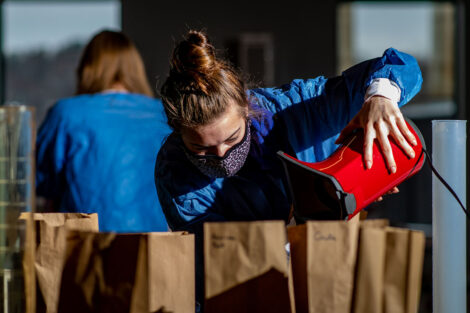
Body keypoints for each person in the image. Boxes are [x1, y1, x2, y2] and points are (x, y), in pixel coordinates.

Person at [155, 30, 422, 309]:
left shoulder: (299, 107)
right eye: (202, 150)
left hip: (333, 283)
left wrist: (381, 97)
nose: (221, 154)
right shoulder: (175, 171)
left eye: (232, 138)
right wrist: (298, 231)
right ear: (178, 133)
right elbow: (218, 264)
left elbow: (402, 65)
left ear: (246, 107)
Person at [36, 30, 172, 232]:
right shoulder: (166, 115)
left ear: (86, 68)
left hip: (87, 248)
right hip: (159, 248)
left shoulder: (66, 114)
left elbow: (43, 184)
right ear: (136, 69)